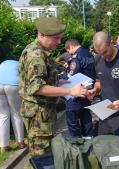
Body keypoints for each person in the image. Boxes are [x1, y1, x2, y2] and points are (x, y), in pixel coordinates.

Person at [18, 17, 87, 158]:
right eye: (56, 38)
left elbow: (41, 80)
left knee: (45, 154)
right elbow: (37, 88)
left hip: (42, 113)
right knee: (41, 156)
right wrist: (70, 91)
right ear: (42, 35)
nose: (59, 42)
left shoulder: (41, 51)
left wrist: (57, 82)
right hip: (39, 115)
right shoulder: (36, 54)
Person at [64, 39, 96, 139]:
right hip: (88, 90)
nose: (69, 53)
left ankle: (76, 140)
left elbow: (71, 75)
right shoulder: (89, 54)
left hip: (77, 92)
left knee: (72, 117)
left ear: (71, 47)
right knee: (86, 115)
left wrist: (64, 74)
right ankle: (88, 137)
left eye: (68, 51)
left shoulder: (76, 57)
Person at [0, 60, 24, 152]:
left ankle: (3, 146)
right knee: (16, 113)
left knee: (2, 115)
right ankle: (20, 142)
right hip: (13, 84)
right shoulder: (20, 64)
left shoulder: (2, 64)